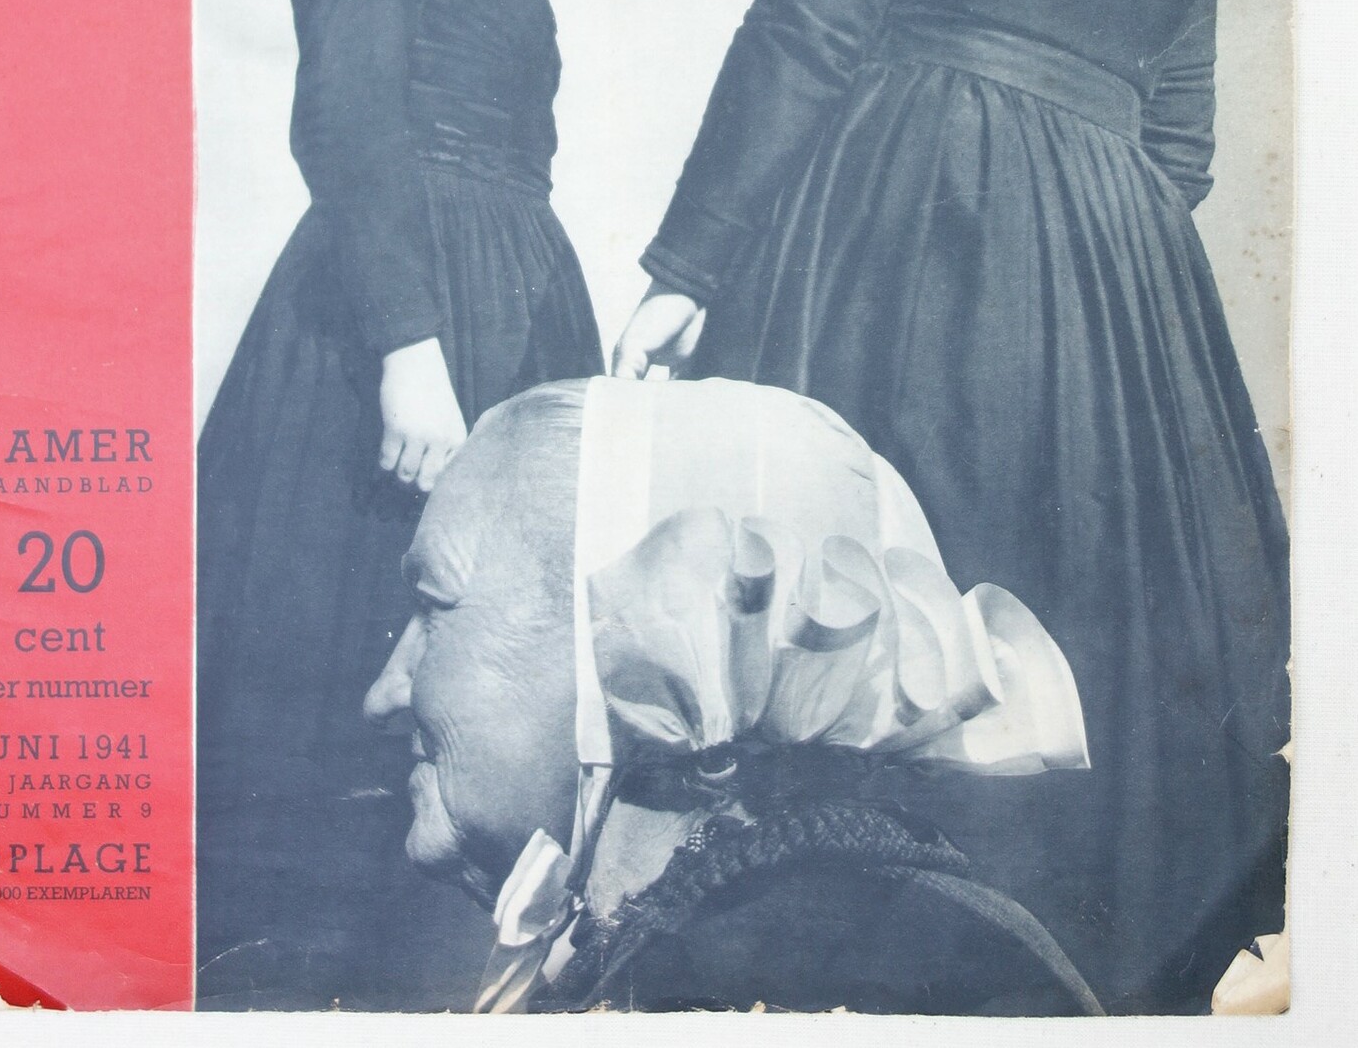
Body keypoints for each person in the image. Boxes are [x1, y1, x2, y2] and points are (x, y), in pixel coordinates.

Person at [612, 0, 1290, 1013]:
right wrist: (1087, 264)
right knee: (1094, 643)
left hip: (917, 212)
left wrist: (692, 257)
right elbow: (1182, 149)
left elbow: (813, 11)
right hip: (1125, 279)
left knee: (853, 613)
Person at [196, 0, 603, 1010]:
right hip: (398, 316)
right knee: (341, 658)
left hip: (508, 307)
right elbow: (347, 120)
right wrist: (406, 347)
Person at [364, 377, 1106, 1015]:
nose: (383, 694)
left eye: (434, 607)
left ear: (652, 638)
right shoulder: (769, 940)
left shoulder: (804, 978)